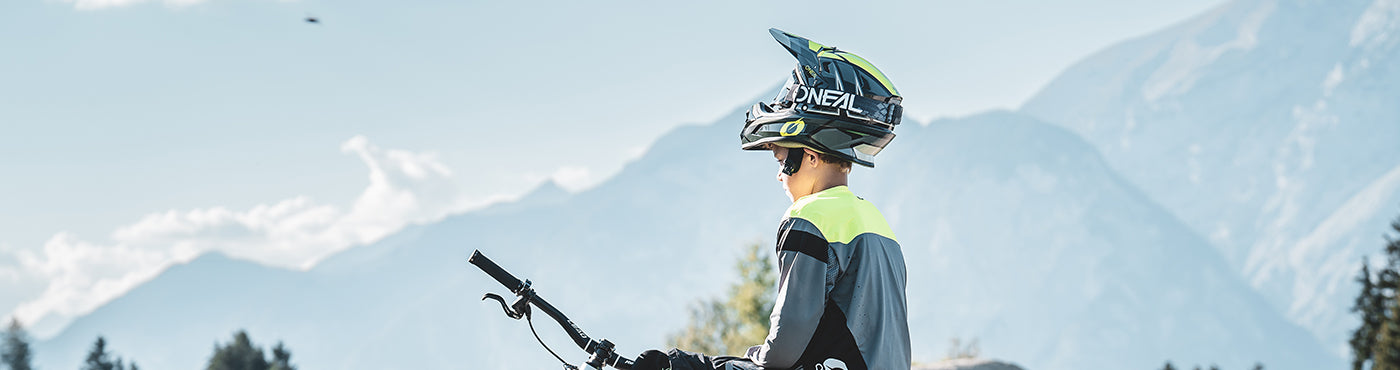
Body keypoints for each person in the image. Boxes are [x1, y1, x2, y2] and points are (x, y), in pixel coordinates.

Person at [634, 28, 909, 370]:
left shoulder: (811, 217)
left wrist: (690, 365)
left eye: (783, 162)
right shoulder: (874, 220)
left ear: (810, 156)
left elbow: (781, 353)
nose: (780, 175)